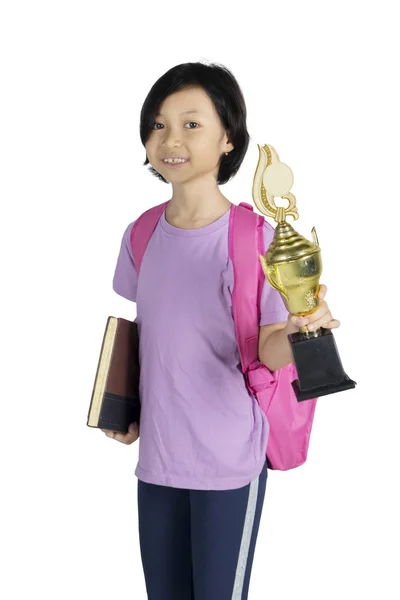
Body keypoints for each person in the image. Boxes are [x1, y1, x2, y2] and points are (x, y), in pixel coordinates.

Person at [102, 61, 340, 600]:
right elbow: (152, 334)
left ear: (227, 139)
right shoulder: (140, 234)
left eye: (191, 124)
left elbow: (270, 349)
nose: (170, 139)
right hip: (158, 462)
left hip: (228, 463)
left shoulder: (256, 238)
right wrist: (128, 409)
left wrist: (304, 328)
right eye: (158, 124)